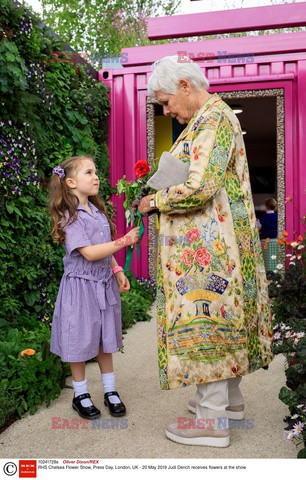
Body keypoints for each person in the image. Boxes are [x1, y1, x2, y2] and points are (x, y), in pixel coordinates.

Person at [138, 56, 273, 447]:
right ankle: (227, 403)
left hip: (214, 243)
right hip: (222, 238)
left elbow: (200, 186)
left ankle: (212, 423)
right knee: (222, 315)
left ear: (184, 85)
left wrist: (155, 200)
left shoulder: (213, 118)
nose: (166, 111)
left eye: (166, 102)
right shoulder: (210, 118)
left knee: (208, 316)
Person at [49, 155, 140, 420]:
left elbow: (104, 250)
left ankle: (110, 390)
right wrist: (124, 241)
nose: (96, 176)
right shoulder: (71, 216)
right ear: (71, 182)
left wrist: (117, 269)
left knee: (104, 338)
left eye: (96, 172)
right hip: (81, 289)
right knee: (79, 339)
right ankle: (80, 394)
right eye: (89, 172)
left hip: (103, 284)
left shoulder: (98, 213)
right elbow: (89, 253)